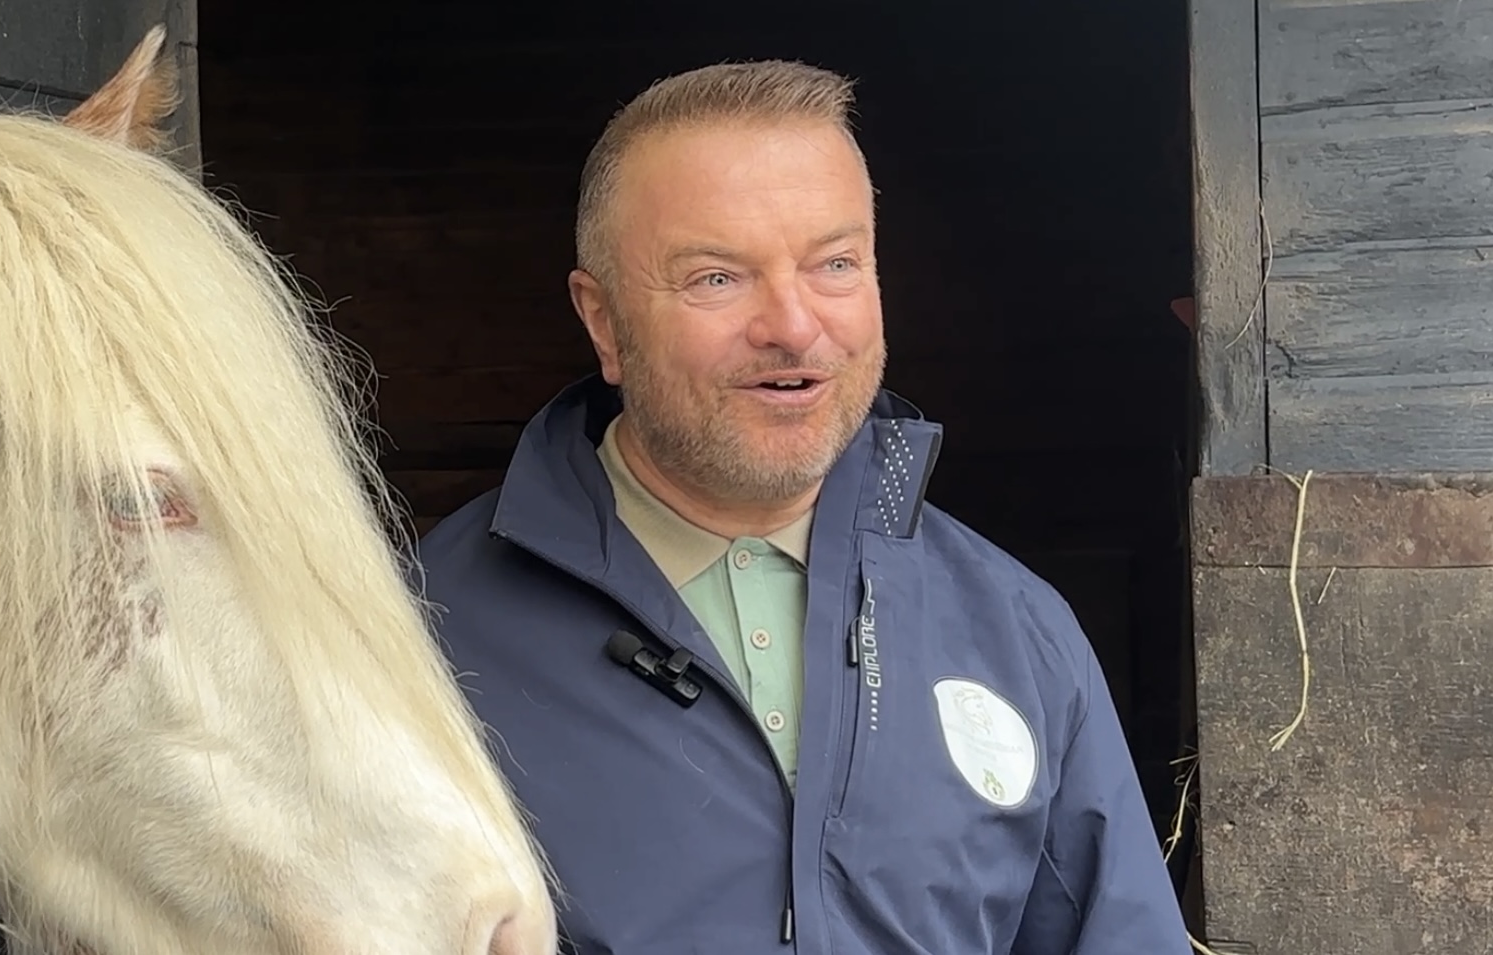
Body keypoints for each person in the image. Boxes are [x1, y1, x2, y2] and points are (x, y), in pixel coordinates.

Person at [413, 59, 1191, 953]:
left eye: (834, 264)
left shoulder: (1014, 629)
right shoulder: (424, 633)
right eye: (716, 277)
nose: (792, 323)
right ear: (602, 321)